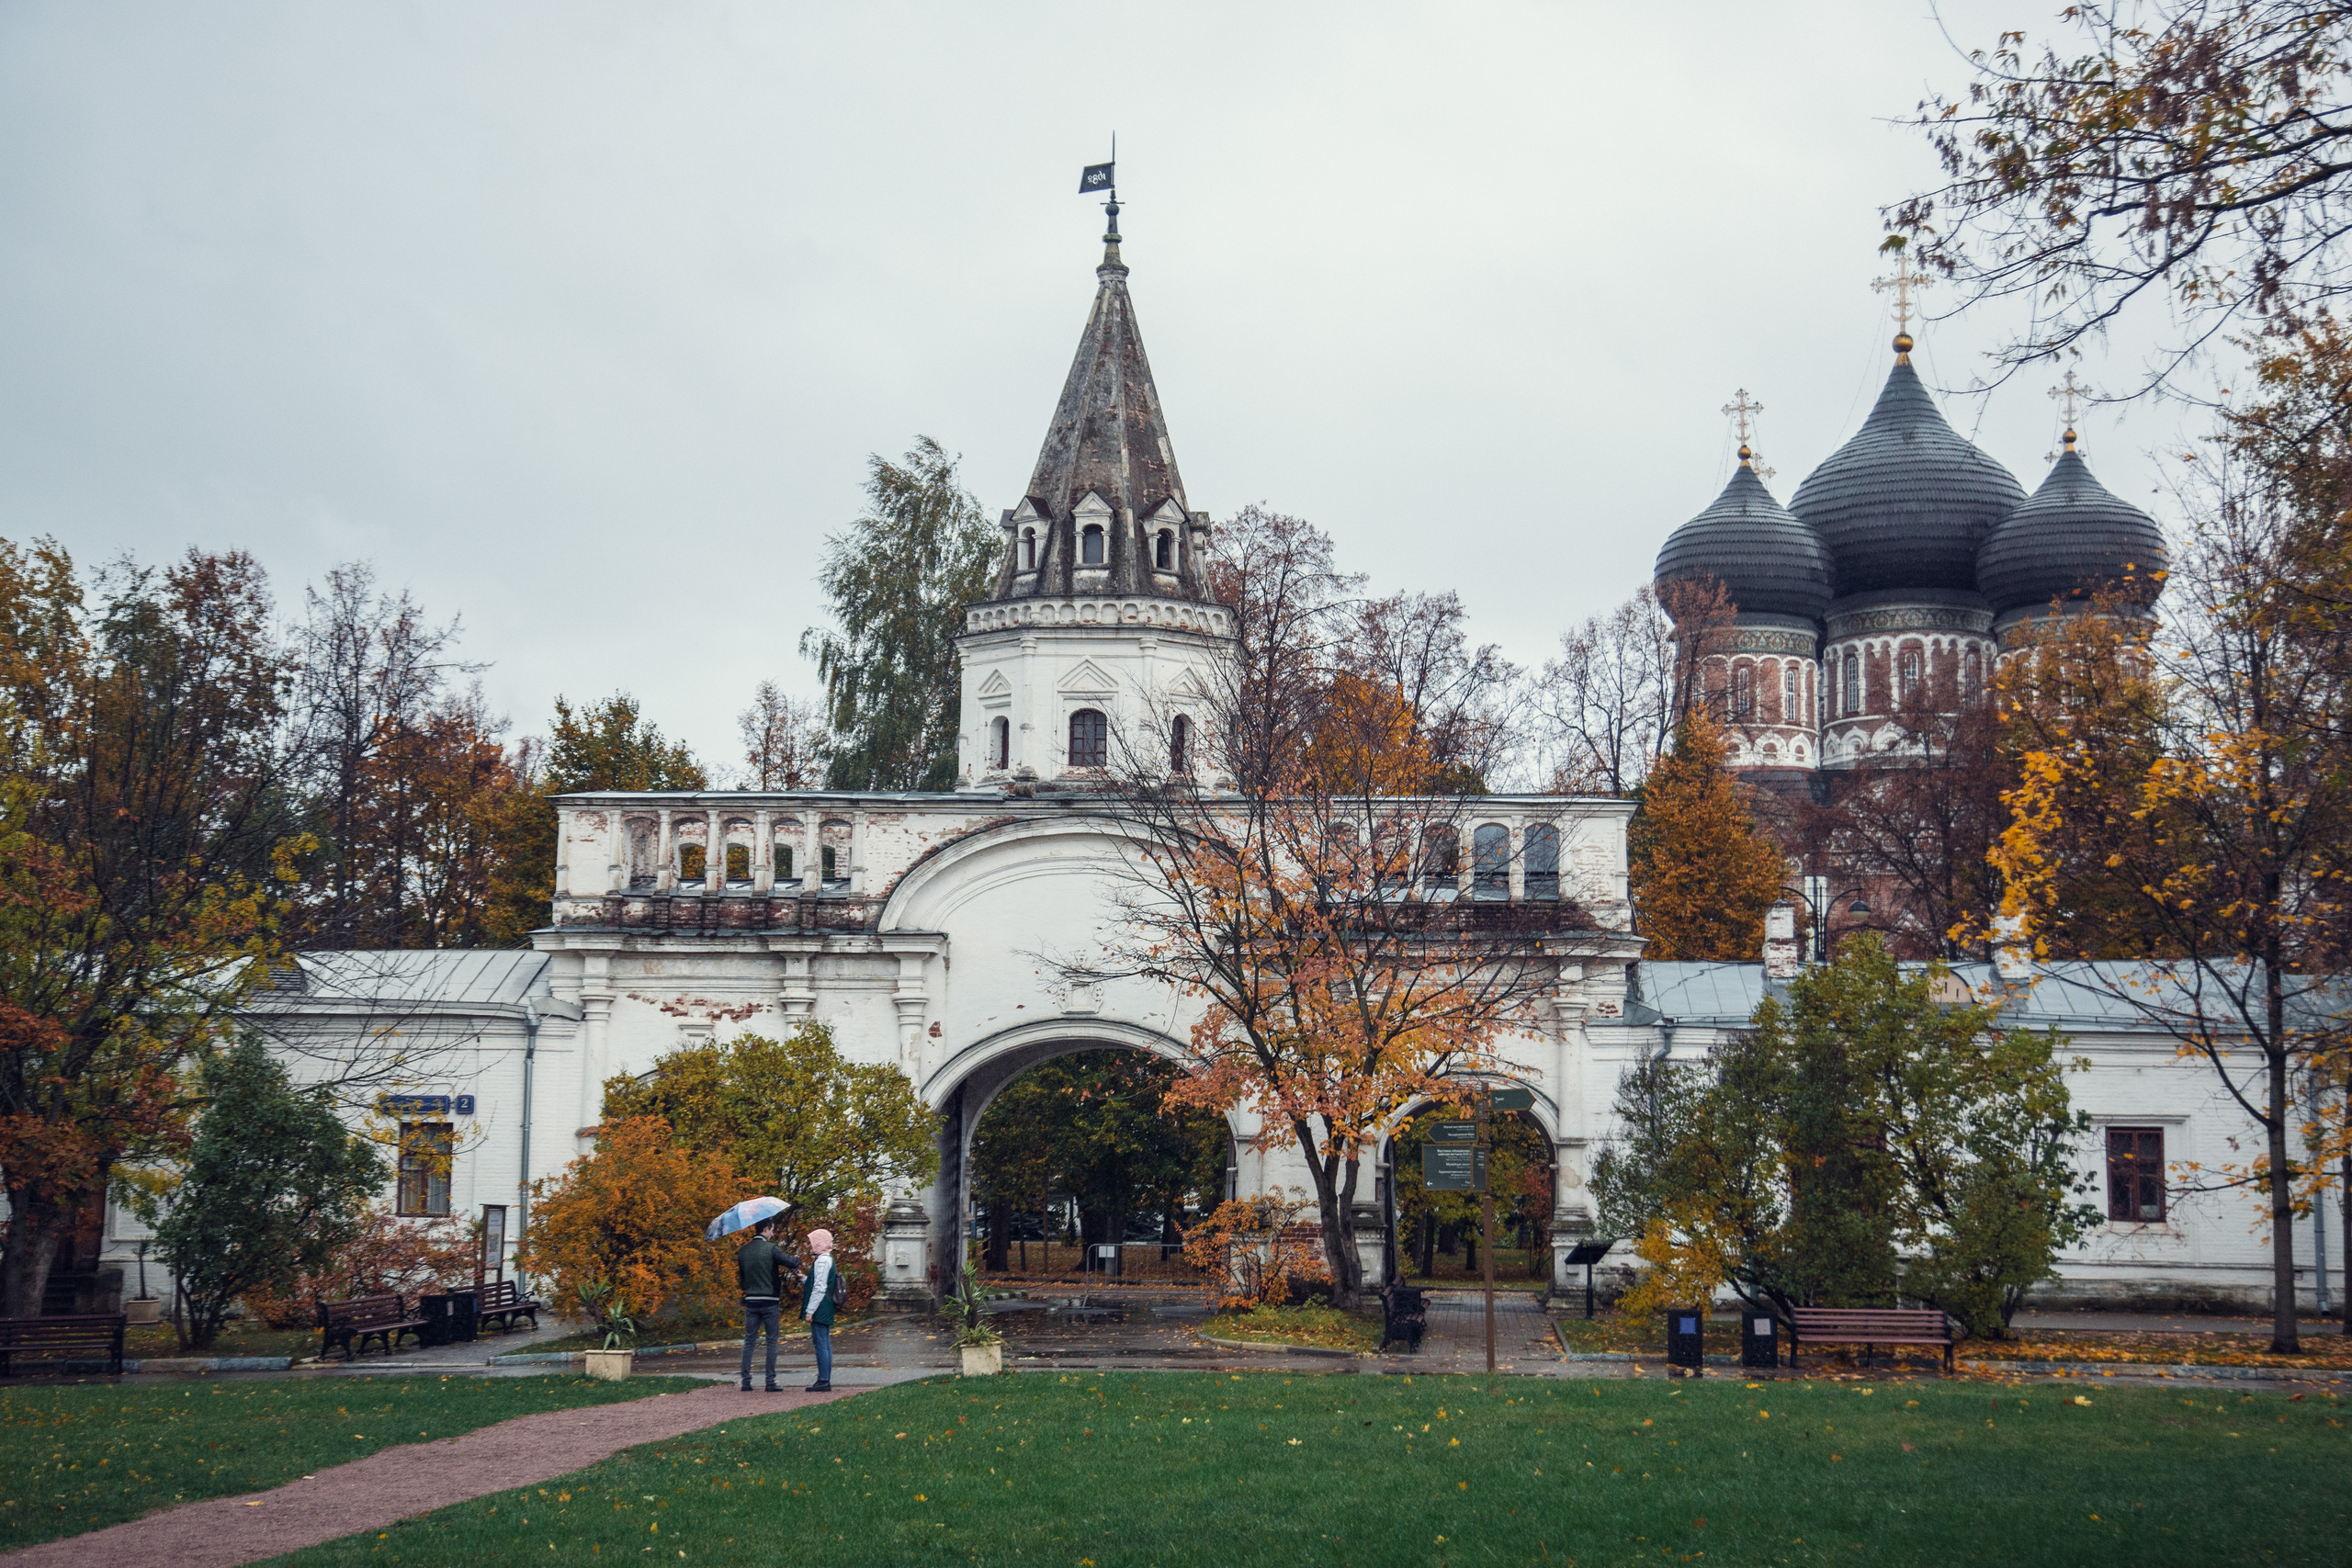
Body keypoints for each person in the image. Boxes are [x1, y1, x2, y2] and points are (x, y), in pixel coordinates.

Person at [736, 1218, 796, 1393]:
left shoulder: (743, 1252)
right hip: (770, 1301)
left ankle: (746, 1381)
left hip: (751, 1301)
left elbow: (742, 1278)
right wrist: (797, 1262)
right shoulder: (771, 1249)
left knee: (749, 1342)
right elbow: (791, 1262)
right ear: (766, 1229)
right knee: (771, 1342)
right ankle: (770, 1382)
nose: (773, 1234)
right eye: (772, 1230)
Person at [801, 1226, 843, 1392]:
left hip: (820, 1307)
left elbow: (819, 1288)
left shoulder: (822, 1261)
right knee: (824, 1343)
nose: (811, 1245)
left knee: (821, 1343)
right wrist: (802, 1278)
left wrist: (810, 1311)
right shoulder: (827, 1259)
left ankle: (823, 1380)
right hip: (825, 1305)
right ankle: (824, 1378)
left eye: (813, 1242)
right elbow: (817, 1283)